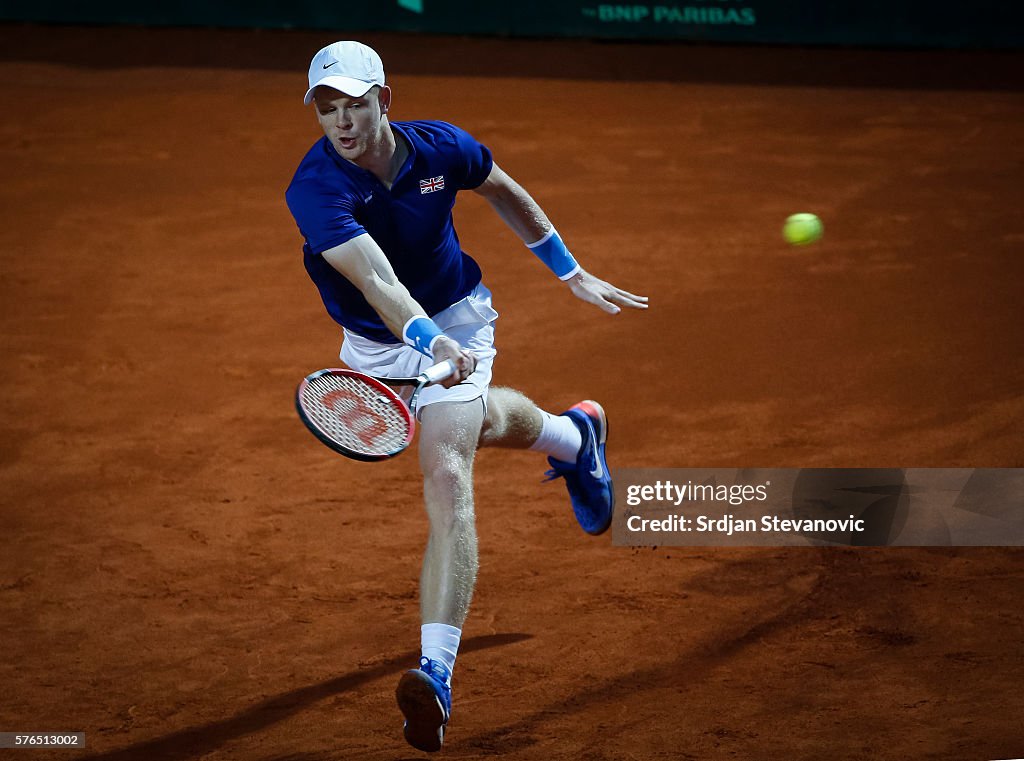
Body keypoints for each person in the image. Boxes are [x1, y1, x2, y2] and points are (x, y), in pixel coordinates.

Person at [285, 40, 648, 753]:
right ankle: (575, 437)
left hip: (458, 316)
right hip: (381, 340)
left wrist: (568, 270)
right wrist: (423, 344)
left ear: (384, 100)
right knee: (479, 424)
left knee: (447, 467)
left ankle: (435, 674)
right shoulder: (315, 187)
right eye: (327, 110)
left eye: (355, 105)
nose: (342, 123)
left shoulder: (442, 148)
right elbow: (379, 283)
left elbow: (503, 189)